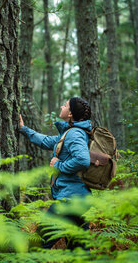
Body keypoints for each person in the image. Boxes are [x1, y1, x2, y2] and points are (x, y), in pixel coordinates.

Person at [19, 97, 92, 250]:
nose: (61, 106)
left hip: (70, 200)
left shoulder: (74, 134)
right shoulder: (69, 133)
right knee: (79, 251)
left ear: (70, 113)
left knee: (38, 243)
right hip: (79, 199)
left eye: (65, 105)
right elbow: (47, 141)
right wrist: (24, 129)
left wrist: (58, 165)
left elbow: (83, 160)